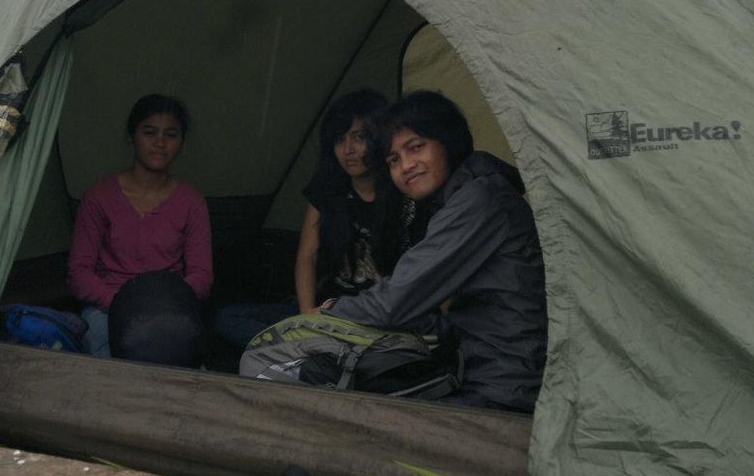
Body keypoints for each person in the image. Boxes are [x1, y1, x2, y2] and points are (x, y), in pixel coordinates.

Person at [324, 90, 547, 412]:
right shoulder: (461, 197)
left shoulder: (479, 200)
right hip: (476, 367)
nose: (406, 166)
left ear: (447, 141)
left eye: (416, 147)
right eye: (393, 160)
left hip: (505, 385)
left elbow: (397, 300)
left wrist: (330, 311)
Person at [214, 89, 417, 350]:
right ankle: (318, 351)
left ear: (380, 138)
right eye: (339, 139)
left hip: (377, 320)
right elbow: (307, 256)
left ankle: (317, 354)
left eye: (359, 137)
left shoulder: (404, 194)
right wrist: (306, 313)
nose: (348, 150)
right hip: (325, 312)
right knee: (229, 318)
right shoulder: (327, 190)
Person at [67, 94, 212, 363]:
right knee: (109, 370)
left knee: (191, 381)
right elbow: (79, 273)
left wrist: (166, 306)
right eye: (149, 133)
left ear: (181, 143)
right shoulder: (99, 197)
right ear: (131, 137)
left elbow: (201, 275)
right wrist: (123, 306)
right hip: (107, 308)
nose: (160, 143)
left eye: (170, 135)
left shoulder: (191, 202)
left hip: (171, 311)